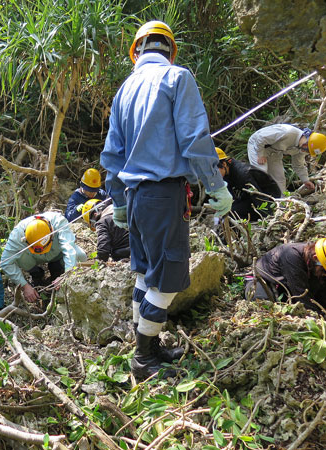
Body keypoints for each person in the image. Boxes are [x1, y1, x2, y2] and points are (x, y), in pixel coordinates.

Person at [100, 20, 233, 380]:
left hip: (135, 196)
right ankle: (143, 359)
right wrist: (216, 184)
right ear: (170, 51)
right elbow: (194, 137)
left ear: (137, 51)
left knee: (145, 273)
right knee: (168, 279)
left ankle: (147, 346)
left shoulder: (124, 90)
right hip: (163, 193)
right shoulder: (178, 77)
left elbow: (111, 156)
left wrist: (119, 202)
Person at [245, 237, 326, 326]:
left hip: (286, 287)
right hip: (260, 281)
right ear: (315, 258)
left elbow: (324, 291)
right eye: (325, 271)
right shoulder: (291, 256)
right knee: (265, 307)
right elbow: (301, 294)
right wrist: (318, 319)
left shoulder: (325, 263)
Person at [0, 211, 87, 303]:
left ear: (52, 233)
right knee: (18, 257)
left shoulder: (58, 221)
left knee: (81, 256)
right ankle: (36, 274)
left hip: (57, 253)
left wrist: (67, 274)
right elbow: (5, 262)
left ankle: (57, 268)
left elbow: (69, 249)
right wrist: (24, 285)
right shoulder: (17, 235)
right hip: (32, 259)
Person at [247, 124, 326, 193]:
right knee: (261, 173)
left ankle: (281, 203)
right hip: (258, 145)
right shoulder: (288, 132)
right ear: (307, 139)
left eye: (308, 151)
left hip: (275, 151)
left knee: (280, 178)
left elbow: (298, 165)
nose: (305, 151)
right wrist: (260, 155)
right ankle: (259, 199)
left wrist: (305, 180)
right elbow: (261, 138)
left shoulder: (302, 148)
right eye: (306, 148)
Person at [216, 148, 281, 220]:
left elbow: (258, 197)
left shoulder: (243, 173)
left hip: (268, 197)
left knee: (232, 212)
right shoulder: (226, 173)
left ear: (224, 164)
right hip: (249, 197)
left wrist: (269, 218)